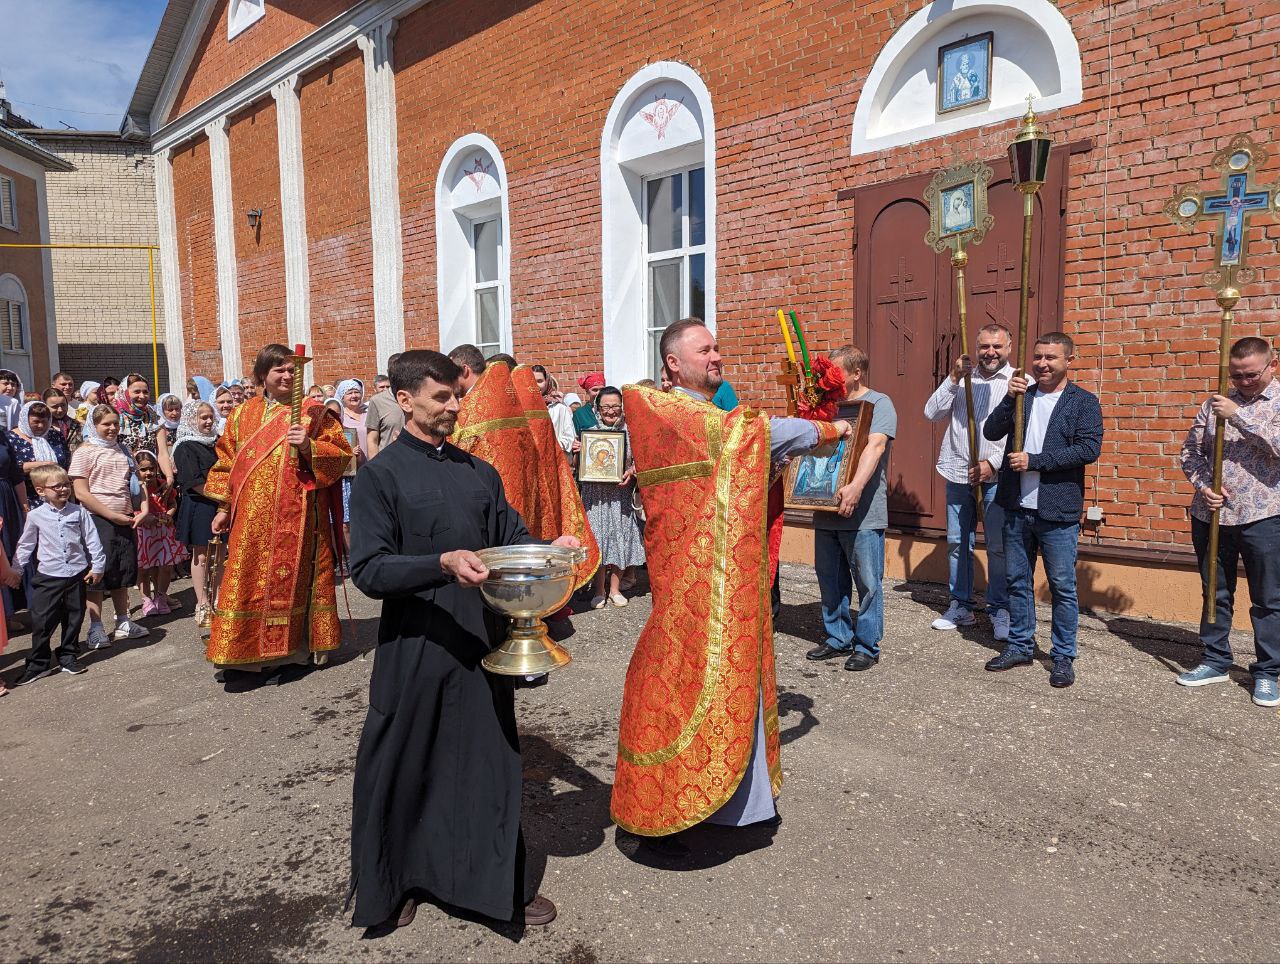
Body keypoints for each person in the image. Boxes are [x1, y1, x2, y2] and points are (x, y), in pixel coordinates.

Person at [348, 349, 574, 931]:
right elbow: (370, 571)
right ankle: (400, 882)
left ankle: (498, 886)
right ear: (405, 401)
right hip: (416, 646)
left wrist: (554, 550)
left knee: (487, 765)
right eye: (440, 397)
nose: (453, 407)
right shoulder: (381, 477)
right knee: (405, 763)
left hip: (479, 642)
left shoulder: (479, 472)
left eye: (456, 396)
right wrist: (441, 563)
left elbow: (511, 537)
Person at [611, 318, 852, 841]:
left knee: (731, 679)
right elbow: (754, 434)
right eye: (705, 350)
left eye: (718, 348)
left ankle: (739, 804)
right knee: (692, 680)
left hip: (720, 578)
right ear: (673, 362)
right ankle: (683, 801)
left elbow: (744, 464)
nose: (717, 357)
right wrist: (830, 429)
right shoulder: (668, 410)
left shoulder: (697, 411)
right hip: (693, 583)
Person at [204, 344, 351, 684]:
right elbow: (227, 461)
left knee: (293, 582)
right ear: (262, 376)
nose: (286, 376)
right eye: (278, 370)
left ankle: (290, 654)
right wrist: (224, 507)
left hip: (297, 517)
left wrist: (309, 447)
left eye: (291, 370)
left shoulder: (314, 413)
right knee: (247, 580)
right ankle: (244, 657)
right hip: (250, 520)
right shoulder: (242, 415)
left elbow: (342, 456)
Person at [982, 331, 1103, 688]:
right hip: (1017, 505)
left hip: (1056, 509)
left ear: (1068, 360)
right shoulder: (1025, 396)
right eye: (1038, 357)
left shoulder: (1083, 402)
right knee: (1017, 581)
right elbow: (991, 431)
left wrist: (1036, 461)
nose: (1042, 364)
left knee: (1062, 586)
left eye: (1051, 357)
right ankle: (1020, 644)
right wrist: (1008, 399)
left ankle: (1063, 656)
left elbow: (1088, 449)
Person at [1177, 336, 1280, 707]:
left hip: (1264, 515)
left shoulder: (1273, 403)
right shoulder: (1213, 403)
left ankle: (1268, 671)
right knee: (1214, 591)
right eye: (1236, 376)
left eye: (1251, 374)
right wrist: (1204, 486)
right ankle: (1215, 659)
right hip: (1212, 514)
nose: (1243, 382)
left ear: (1272, 365)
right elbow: (1189, 453)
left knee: (1268, 597)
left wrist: (1238, 416)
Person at [804, 346, 897, 672]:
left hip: (863, 512)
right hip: (825, 505)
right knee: (829, 578)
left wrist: (856, 487)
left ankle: (867, 645)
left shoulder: (879, 403)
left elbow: (876, 445)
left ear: (856, 373)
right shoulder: (826, 407)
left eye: (837, 372)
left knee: (868, 583)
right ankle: (837, 637)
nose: (830, 379)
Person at [923, 322, 1014, 637]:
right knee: (958, 543)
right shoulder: (963, 380)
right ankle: (960, 605)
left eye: (997, 346)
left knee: (999, 546)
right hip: (958, 471)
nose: (990, 352)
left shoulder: (1019, 382)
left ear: (1009, 348)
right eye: (984, 347)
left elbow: (1024, 433)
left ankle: (1000, 609)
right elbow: (931, 413)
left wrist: (993, 462)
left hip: (997, 477)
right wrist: (952, 378)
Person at [10, 465, 105, 684]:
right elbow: (26, 545)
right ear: (41, 490)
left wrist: (98, 565)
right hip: (49, 576)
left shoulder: (78, 512)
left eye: (66, 484)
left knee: (74, 616)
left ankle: (68, 655)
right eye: (57, 486)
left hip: (76, 574)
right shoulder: (36, 516)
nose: (63, 489)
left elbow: (91, 539)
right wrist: (17, 569)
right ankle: (39, 663)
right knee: (42, 620)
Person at [69, 405, 150, 648]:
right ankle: (96, 627)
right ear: (94, 426)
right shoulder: (84, 452)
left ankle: (123, 621)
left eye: (115, 423)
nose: (113, 428)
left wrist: (143, 509)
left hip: (124, 516)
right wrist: (111, 515)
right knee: (98, 574)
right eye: (106, 424)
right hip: (97, 518)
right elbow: (81, 493)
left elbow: (137, 483)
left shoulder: (123, 449)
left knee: (122, 569)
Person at [580, 387, 645, 609]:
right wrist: (577, 453)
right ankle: (599, 591)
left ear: (622, 408)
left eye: (615, 406)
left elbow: (641, 460)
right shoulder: (588, 433)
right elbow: (576, 465)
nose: (611, 411)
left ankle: (615, 589)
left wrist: (632, 471)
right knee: (599, 541)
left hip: (620, 495)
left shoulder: (631, 432)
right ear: (597, 408)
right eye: (606, 407)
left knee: (620, 539)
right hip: (595, 497)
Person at [173, 401, 221, 626]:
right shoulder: (185, 446)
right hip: (200, 504)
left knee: (220, 553)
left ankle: (219, 598)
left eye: (211, 416)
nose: (208, 421)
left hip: (219, 504)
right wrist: (222, 496)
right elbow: (193, 481)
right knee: (201, 555)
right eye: (203, 417)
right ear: (192, 419)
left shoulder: (217, 442)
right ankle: (202, 602)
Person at [134, 451, 186, 617]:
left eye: (151, 468)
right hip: (144, 531)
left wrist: (168, 515)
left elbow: (172, 503)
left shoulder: (162, 484)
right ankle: (146, 599)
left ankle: (161, 596)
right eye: (143, 469)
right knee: (144, 567)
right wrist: (144, 517)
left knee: (165, 565)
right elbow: (131, 508)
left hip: (163, 530)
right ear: (136, 470)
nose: (148, 473)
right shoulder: (134, 487)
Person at [8, 400, 71, 508]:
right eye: (36, 421)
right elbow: (7, 469)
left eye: (44, 421)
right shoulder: (10, 439)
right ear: (25, 420)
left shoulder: (55, 436)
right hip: (26, 501)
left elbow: (66, 462)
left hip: (59, 500)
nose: (41, 425)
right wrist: (41, 465)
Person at [335, 378, 368, 549]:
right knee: (348, 518)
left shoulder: (368, 412)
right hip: (350, 473)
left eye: (357, 392)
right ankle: (352, 554)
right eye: (350, 393)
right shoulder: (339, 417)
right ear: (342, 396)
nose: (355, 396)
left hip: (369, 469)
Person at [363, 358, 405, 459]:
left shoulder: (418, 398)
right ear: (389, 372)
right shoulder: (377, 401)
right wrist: (375, 468)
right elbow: (372, 439)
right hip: (388, 463)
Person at [115, 374, 162, 458]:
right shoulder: (115, 417)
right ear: (125, 393)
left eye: (145, 392)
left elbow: (162, 454)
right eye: (137, 392)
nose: (142, 396)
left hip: (148, 469)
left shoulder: (153, 416)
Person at [532, 365, 576, 454]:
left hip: (554, 459)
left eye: (540, 381)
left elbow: (569, 438)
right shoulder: (521, 407)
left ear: (547, 382)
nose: (536, 385)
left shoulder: (560, 409)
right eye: (532, 381)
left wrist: (548, 447)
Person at [155, 392, 183, 482]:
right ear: (162, 411)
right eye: (170, 410)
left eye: (177, 409)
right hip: (164, 471)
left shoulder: (184, 426)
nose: (174, 413)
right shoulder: (159, 428)